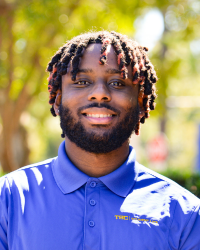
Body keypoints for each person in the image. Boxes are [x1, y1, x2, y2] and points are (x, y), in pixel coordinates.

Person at [0, 31, 199, 250]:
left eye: (117, 83)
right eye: (82, 81)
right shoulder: (9, 198)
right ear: (58, 100)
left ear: (141, 102)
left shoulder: (185, 214)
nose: (99, 94)